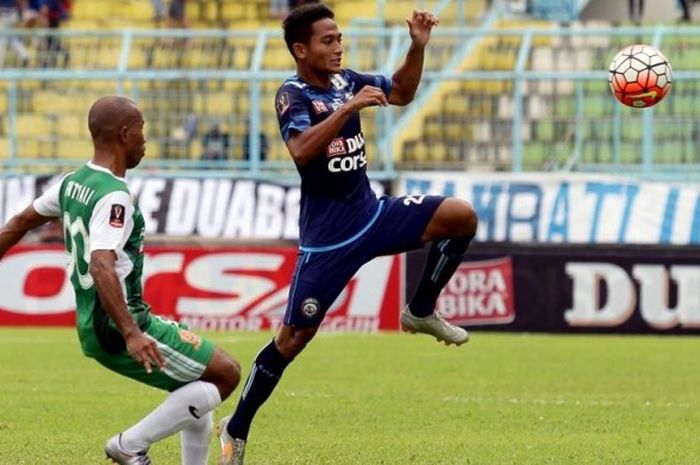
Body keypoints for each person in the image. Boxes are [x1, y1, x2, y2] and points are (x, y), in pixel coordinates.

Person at [216, 4, 478, 464]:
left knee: (460, 216)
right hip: (328, 241)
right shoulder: (292, 94)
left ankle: (419, 310)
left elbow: (401, 91)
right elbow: (301, 150)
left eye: (339, 39)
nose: (338, 48)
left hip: (372, 215)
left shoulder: (345, 80)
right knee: (292, 341)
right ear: (301, 49)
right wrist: (349, 109)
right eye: (327, 41)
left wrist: (416, 48)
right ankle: (235, 428)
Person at [0, 96, 241, 465]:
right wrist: (131, 332)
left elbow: (18, 223)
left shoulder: (71, 183)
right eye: (142, 131)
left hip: (93, 323)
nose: (145, 140)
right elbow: (101, 264)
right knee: (226, 375)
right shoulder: (114, 196)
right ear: (124, 134)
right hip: (118, 323)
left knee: (196, 385)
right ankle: (129, 445)